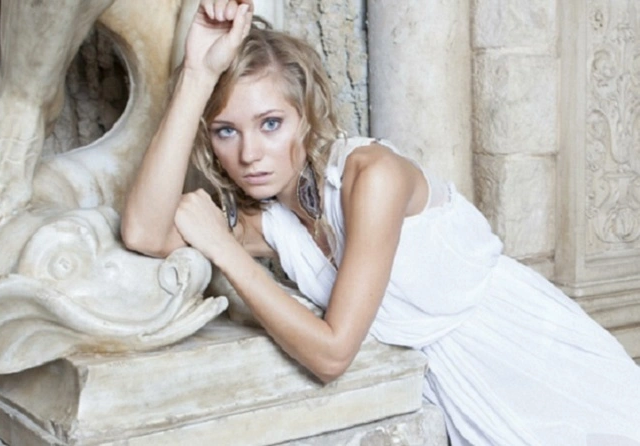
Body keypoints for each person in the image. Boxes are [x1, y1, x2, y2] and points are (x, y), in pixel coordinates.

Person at [121, 1, 640, 444]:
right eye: (225, 131)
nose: (250, 153)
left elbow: (332, 355)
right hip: (463, 394)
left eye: (270, 123)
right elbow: (144, 232)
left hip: (541, 366)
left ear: (306, 116)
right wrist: (197, 75)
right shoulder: (273, 222)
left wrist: (225, 250)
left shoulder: (371, 177)